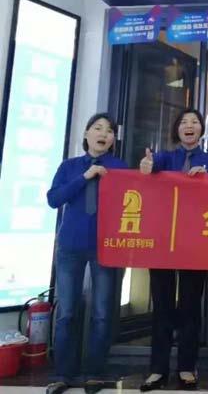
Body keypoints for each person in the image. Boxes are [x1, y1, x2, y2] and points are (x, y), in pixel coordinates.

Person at [138, 108, 208, 391]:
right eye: (184, 122)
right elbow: (148, 172)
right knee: (162, 306)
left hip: (196, 242)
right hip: (163, 239)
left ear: (201, 130)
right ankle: (157, 369)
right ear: (177, 129)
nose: (189, 126)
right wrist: (147, 166)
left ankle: (187, 367)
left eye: (195, 122)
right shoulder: (165, 158)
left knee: (190, 306)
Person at [46, 113, 128, 394]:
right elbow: (54, 199)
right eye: (97, 128)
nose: (103, 133)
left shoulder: (119, 168)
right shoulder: (69, 167)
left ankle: (94, 372)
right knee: (67, 312)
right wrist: (85, 177)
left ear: (113, 139)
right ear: (86, 134)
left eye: (109, 130)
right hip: (70, 246)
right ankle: (62, 374)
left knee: (102, 313)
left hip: (106, 247)